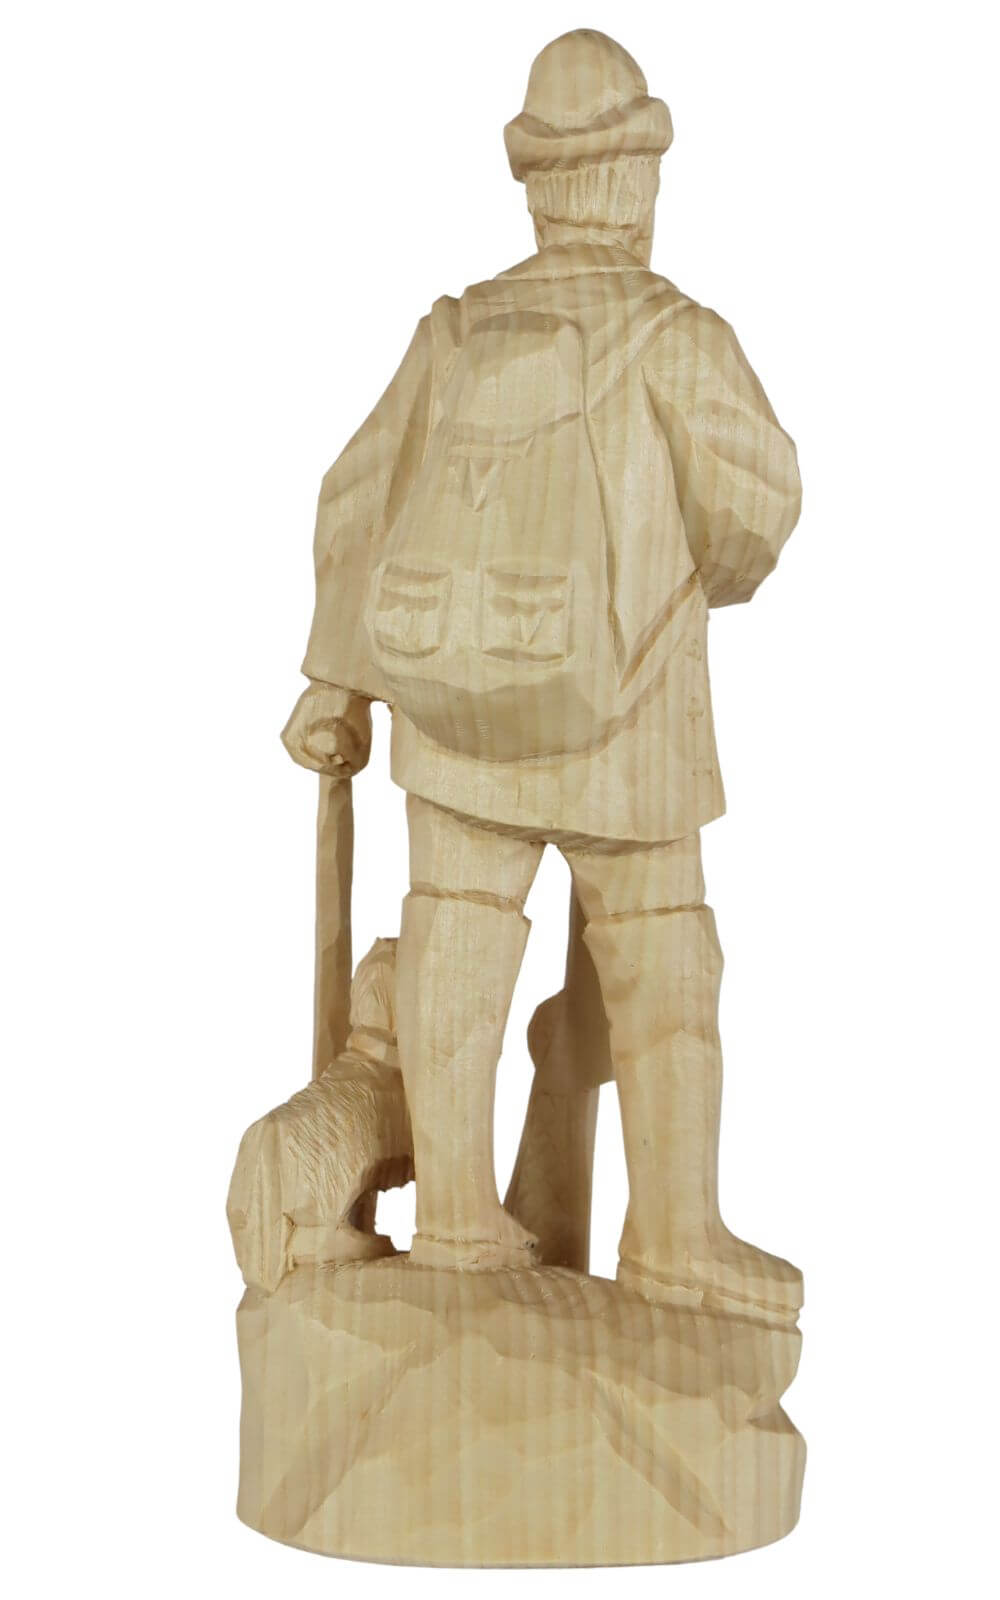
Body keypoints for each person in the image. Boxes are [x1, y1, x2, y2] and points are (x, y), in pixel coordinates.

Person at [282, 30, 803, 1324]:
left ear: (535, 187)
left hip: (455, 709)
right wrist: (679, 586)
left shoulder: (454, 331)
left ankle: (457, 1223)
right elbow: (759, 508)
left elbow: (357, 498)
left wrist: (336, 682)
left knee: (455, 936)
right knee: (662, 967)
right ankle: (674, 1241)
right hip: (634, 720)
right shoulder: (677, 334)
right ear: (638, 178)